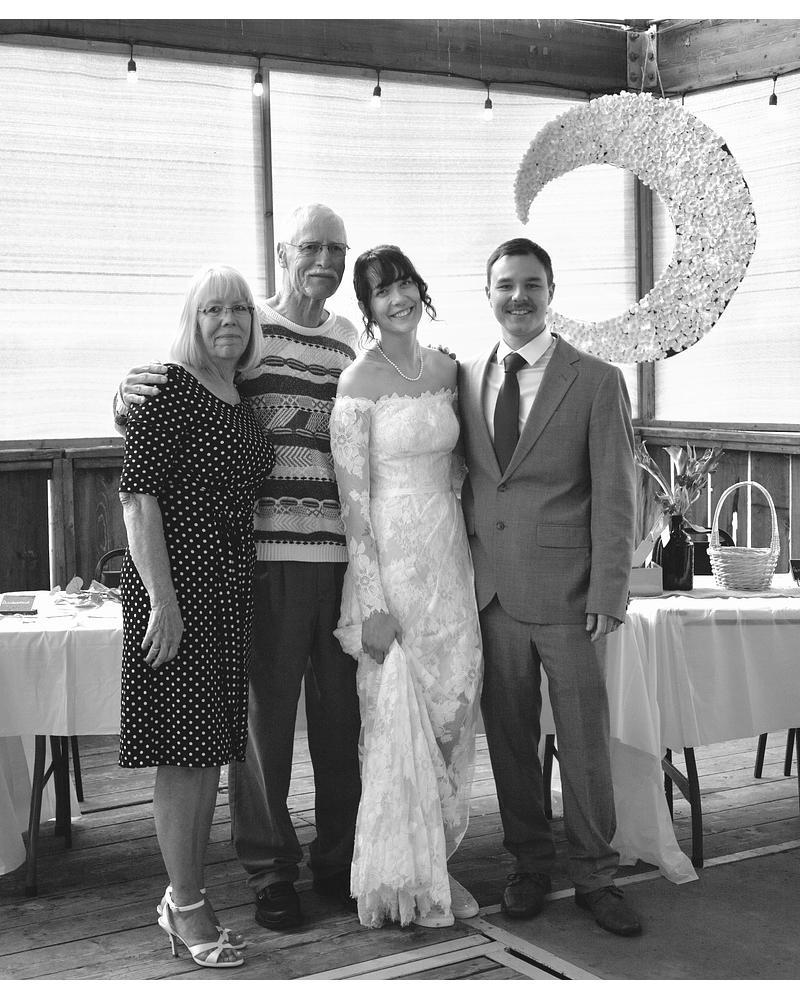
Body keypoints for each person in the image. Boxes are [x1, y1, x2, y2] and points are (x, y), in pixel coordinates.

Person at [115, 205, 362, 931]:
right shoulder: (249, 330)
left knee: (342, 723)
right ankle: (269, 870)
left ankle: (339, 860)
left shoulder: (350, 341)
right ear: (284, 253)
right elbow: (179, 390)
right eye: (311, 246)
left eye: (337, 248)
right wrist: (123, 394)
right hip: (262, 560)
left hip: (342, 560)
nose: (324, 259)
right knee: (263, 733)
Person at [457, 238, 642, 937]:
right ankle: (528, 865)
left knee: (584, 742)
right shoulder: (464, 376)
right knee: (509, 741)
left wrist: (609, 592)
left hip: (571, 596)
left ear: (551, 291)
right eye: (505, 285)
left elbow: (617, 494)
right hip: (491, 595)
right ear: (489, 294)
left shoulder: (595, 380)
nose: (519, 297)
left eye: (531, 284)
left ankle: (597, 875)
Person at [118, 264, 275, 968]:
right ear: (193, 320)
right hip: (176, 595)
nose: (228, 320)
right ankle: (184, 906)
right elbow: (137, 499)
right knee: (184, 757)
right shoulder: (167, 388)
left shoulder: (237, 396)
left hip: (226, 593)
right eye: (213, 309)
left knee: (209, 750)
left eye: (240, 309)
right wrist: (163, 601)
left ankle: (185, 896)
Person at [329, 245, 483, 929]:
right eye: (381, 291)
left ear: (421, 288)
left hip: (448, 562)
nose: (398, 299)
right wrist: (372, 603)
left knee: (454, 707)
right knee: (396, 715)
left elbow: (463, 470)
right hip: (390, 568)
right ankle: (405, 875)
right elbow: (353, 503)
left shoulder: (451, 371)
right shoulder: (357, 382)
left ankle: (439, 860)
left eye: (404, 284)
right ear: (367, 307)